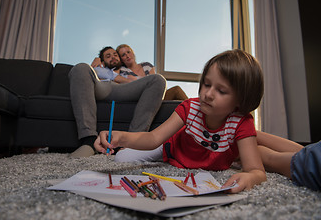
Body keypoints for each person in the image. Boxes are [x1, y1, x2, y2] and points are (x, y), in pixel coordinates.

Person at [95, 49, 267, 193]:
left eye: (221, 90)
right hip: (170, 149)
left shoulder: (241, 123)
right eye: (207, 84)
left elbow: (257, 171)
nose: (208, 94)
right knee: (121, 157)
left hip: (209, 160)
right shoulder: (190, 107)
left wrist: (250, 177)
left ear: (241, 99)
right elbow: (154, 139)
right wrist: (121, 137)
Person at [69, 46, 166, 158]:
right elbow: (83, 79)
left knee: (158, 79)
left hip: (122, 89)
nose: (113, 57)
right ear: (102, 60)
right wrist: (95, 63)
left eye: (115, 55)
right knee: (80, 67)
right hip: (102, 87)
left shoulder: (127, 71)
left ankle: (133, 142)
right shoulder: (99, 69)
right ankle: (89, 141)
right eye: (108, 56)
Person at [116, 44, 188, 100]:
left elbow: (156, 84)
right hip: (142, 99)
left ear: (133, 53)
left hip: (157, 96)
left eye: (128, 52)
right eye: (123, 55)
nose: (127, 56)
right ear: (121, 59)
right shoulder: (123, 70)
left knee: (177, 90)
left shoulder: (146, 65)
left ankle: (196, 113)